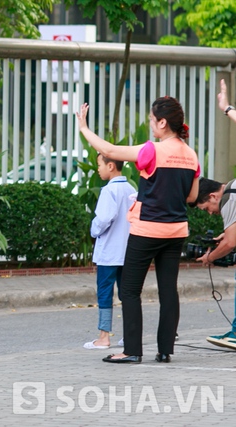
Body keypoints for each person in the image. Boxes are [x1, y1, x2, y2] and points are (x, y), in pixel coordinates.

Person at [76, 96, 200, 364]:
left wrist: (84, 129)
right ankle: (166, 350)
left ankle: (132, 350)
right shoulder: (191, 155)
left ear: (163, 123)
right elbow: (192, 196)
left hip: (146, 230)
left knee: (130, 290)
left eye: (152, 120)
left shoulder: (151, 150)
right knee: (169, 290)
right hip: (177, 231)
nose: (150, 124)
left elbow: (110, 149)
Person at [83, 154, 135, 350]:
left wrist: (93, 229)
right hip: (128, 252)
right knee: (127, 294)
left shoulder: (109, 191)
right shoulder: (131, 189)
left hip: (108, 254)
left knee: (105, 293)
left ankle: (104, 337)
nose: (98, 169)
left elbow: (104, 219)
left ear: (111, 166)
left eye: (99, 165)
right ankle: (129, 336)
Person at [190, 177, 236, 350]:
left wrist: (210, 258)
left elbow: (230, 244)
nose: (209, 213)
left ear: (213, 196)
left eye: (206, 208)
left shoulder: (228, 197)